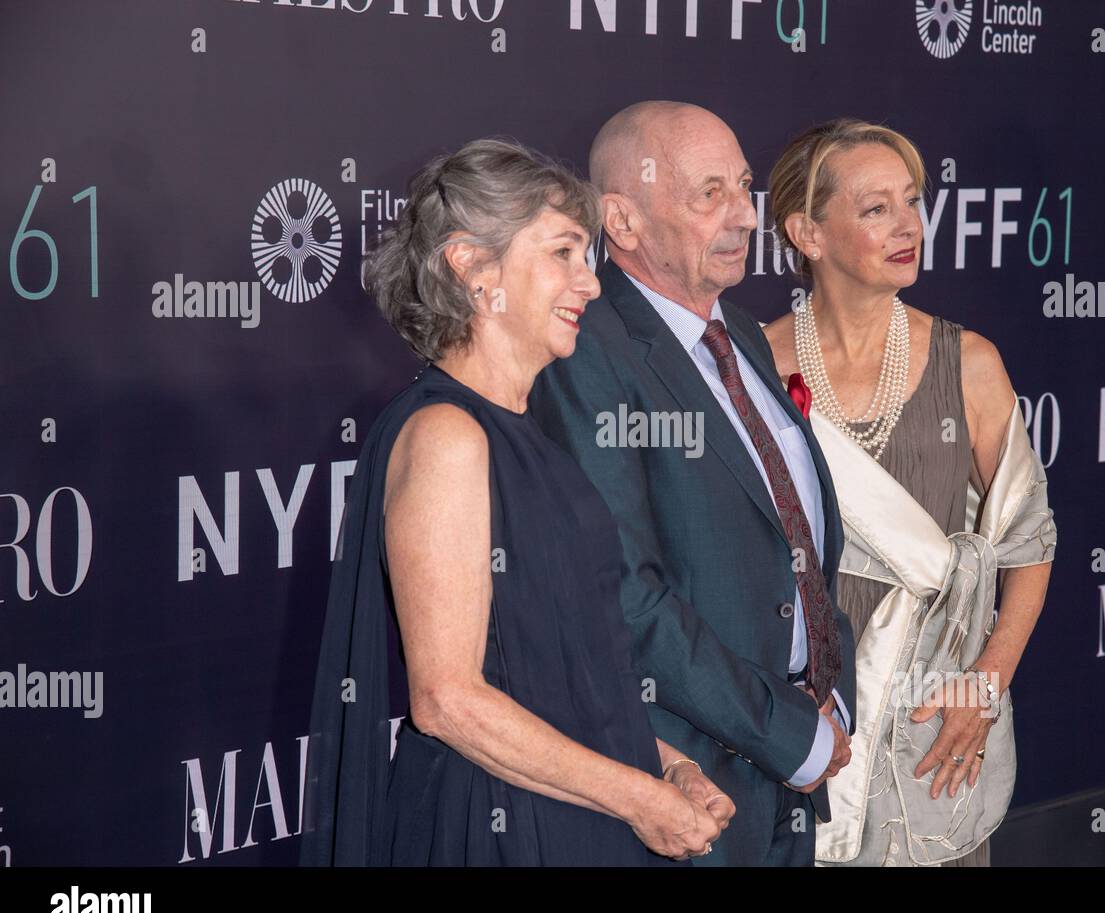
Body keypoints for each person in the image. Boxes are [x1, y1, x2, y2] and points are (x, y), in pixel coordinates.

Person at [299, 137, 735, 867]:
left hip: (564, 815)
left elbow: (556, 679)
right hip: (491, 830)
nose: (590, 283)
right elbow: (447, 699)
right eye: (563, 252)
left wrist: (667, 766)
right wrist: (638, 797)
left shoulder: (521, 432)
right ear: (472, 268)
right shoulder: (447, 437)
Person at [529, 102, 856, 867]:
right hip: (681, 789)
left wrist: (824, 691)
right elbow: (624, 597)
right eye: (710, 193)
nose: (745, 214)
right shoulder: (587, 352)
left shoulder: (737, 329)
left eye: (744, 188)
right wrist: (789, 733)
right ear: (625, 221)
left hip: (788, 771)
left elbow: (792, 535)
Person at [763, 119, 1056, 866]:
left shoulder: (972, 363)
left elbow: (1030, 544)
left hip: (938, 719)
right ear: (807, 232)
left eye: (912, 201)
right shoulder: (749, 368)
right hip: (800, 721)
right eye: (875, 209)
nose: (909, 226)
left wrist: (984, 687)